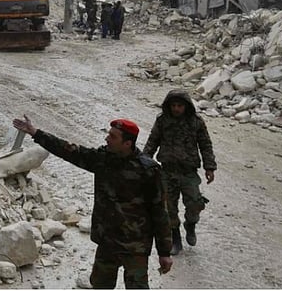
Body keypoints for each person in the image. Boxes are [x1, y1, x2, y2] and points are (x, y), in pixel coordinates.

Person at [13, 115, 173, 289]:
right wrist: (36, 133)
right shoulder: (103, 159)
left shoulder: (148, 170)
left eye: (113, 136)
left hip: (135, 247)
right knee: (100, 285)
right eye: (109, 134)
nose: (107, 138)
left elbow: (160, 212)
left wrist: (164, 252)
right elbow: (69, 150)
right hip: (107, 242)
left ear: (128, 143)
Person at [142, 90, 217, 256]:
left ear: (186, 106)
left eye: (180, 106)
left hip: (188, 172)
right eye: (173, 105)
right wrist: (143, 163)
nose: (176, 109)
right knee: (169, 207)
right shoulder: (162, 121)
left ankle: (190, 225)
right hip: (167, 171)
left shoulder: (196, 122)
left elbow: (205, 144)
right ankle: (175, 238)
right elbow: (152, 141)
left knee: (195, 203)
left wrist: (209, 167)